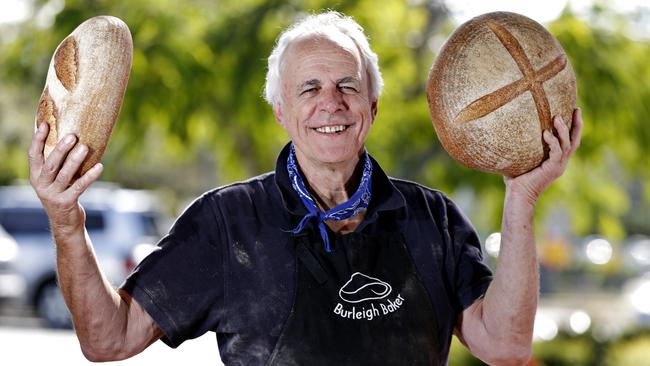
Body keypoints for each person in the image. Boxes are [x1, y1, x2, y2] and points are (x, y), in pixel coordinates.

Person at [28, 11, 582, 366]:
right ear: (281, 112)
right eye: (309, 88)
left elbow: (506, 346)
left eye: (347, 85)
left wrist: (521, 197)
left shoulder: (429, 218)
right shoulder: (228, 222)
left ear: (372, 106)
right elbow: (109, 339)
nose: (331, 103)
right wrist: (65, 222)